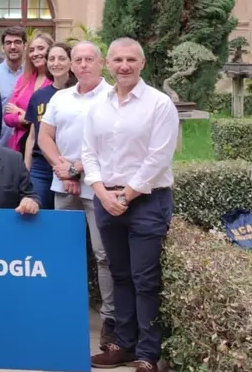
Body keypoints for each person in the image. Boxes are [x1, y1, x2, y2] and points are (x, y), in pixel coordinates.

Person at [84, 38, 178, 372]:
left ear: (142, 63)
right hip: (106, 199)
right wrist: (102, 191)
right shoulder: (97, 105)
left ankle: (147, 355)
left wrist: (126, 195)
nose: (124, 66)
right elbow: (88, 153)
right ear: (108, 63)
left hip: (147, 202)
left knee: (146, 279)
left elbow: (159, 157)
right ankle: (123, 344)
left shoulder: (159, 104)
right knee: (120, 275)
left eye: (131, 60)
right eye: (118, 60)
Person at [38, 40, 116, 350]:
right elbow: (45, 137)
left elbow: (113, 142)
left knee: (103, 255)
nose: (83, 64)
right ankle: (64, 313)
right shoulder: (60, 97)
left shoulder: (113, 96)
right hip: (64, 186)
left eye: (89, 59)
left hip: (99, 187)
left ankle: (110, 319)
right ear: (71, 65)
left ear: (101, 63)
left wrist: (78, 170)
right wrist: (62, 167)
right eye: (78, 60)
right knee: (63, 253)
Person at [23, 42, 77, 209]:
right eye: (51, 59)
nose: (56, 63)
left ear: (71, 62)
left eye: (62, 58)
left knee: (67, 218)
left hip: (70, 165)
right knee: (38, 213)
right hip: (41, 168)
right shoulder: (39, 96)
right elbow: (32, 136)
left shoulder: (79, 93)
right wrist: (26, 169)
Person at [4, 33, 53, 152]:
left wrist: (23, 114)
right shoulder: (24, 79)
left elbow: (48, 120)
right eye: (31, 50)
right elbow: (8, 117)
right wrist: (30, 119)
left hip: (47, 146)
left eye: (41, 48)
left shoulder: (55, 81)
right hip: (20, 144)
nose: (35, 54)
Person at [0, 26, 26, 144]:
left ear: (25, 46)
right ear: (2, 47)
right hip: (0, 144)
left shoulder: (33, 74)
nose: (13, 47)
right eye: (8, 43)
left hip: (26, 141)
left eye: (17, 42)